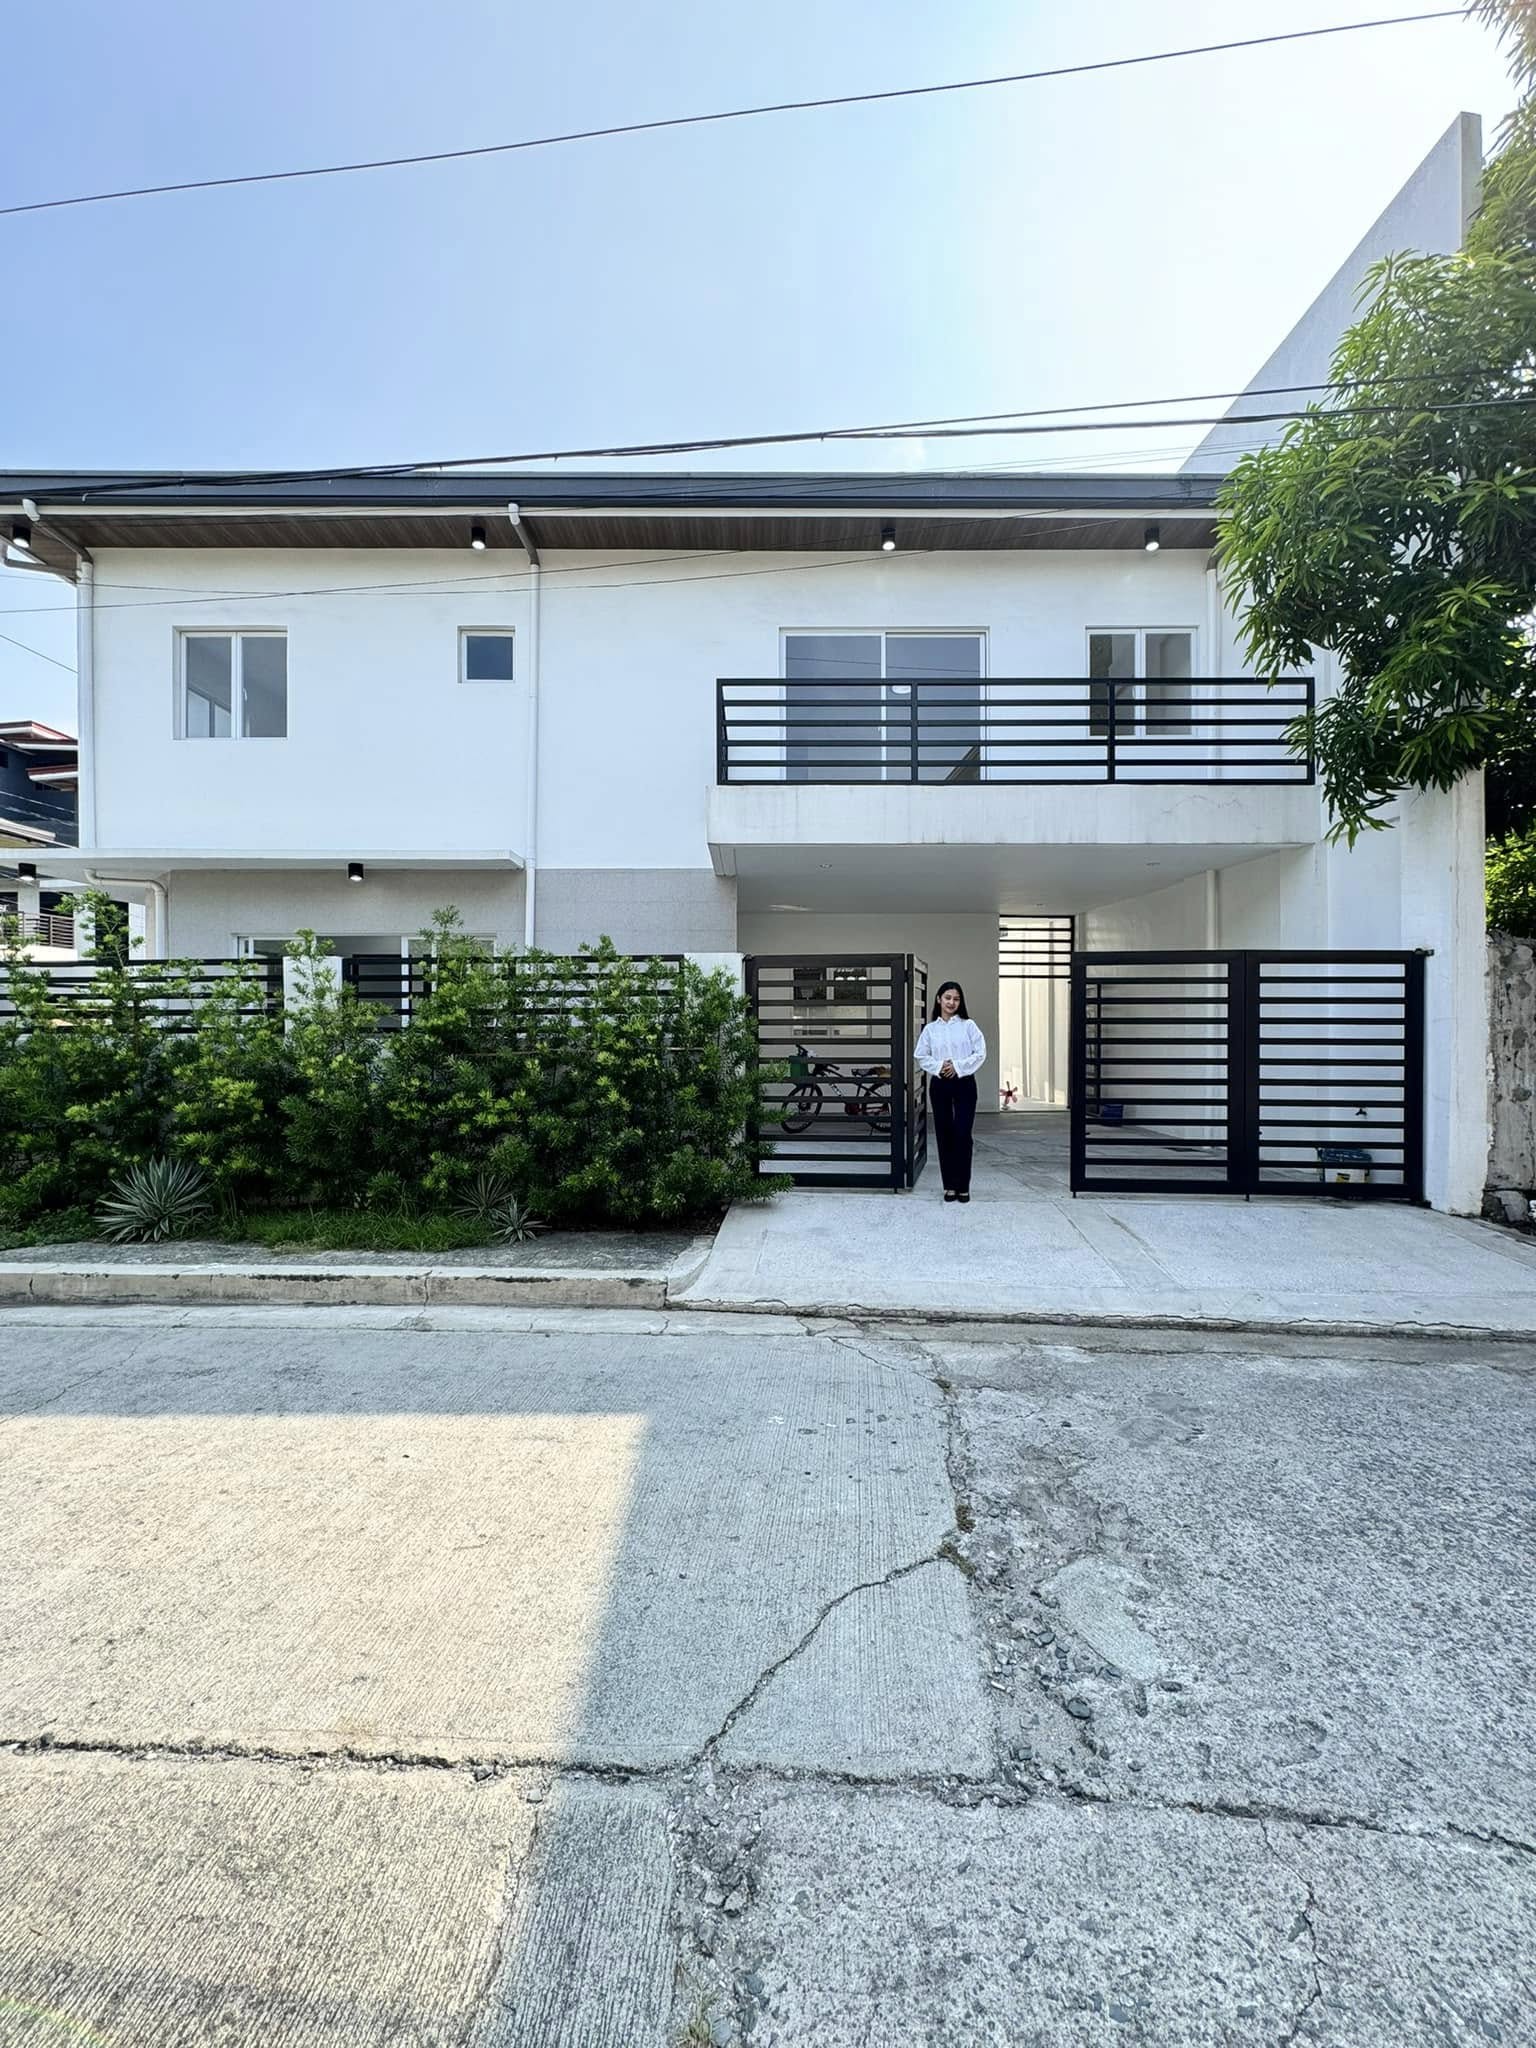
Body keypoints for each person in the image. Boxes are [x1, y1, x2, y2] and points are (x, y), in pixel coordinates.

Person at [914, 981, 986, 1202]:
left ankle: (963, 1185)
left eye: (956, 999)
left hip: (964, 1083)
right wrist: (940, 1066)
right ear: (939, 999)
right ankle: (950, 1186)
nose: (951, 1002)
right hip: (940, 1084)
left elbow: (980, 1053)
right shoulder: (930, 1029)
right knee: (944, 1134)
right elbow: (920, 1055)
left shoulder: (968, 1025)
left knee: (963, 1134)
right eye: (947, 998)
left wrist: (957, 1066)